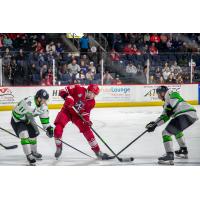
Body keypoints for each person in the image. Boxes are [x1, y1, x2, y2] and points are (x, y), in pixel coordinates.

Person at [54, 84, 110, 160]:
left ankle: (98, 151)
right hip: (66, 111)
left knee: (87, 129)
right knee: (57, 129)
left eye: (94, 94)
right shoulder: (78, 88)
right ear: (88, 90)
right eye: (91, 93)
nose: (92, 95)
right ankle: (59, 147)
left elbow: (85, 113)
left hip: (77, 116)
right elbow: (62, 90)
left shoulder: (92, 102)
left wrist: (87, 121)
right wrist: (67, 97)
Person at [145, 86, 198, 165]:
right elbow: (165, 117)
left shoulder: (170, 93)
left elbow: (175, 99)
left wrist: (170, 108)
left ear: (162, 93)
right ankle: (183, 150)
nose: (158, 96)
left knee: (165, 133)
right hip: (191, 116)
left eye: (158, 94)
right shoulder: (167, 103)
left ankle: (169, 155)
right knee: (176, 131)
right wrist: (154, 124)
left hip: (184, 114)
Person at [11, 89, 54, 165]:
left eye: (46, 100)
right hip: (17, 120)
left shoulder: (43, 106)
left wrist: (48, 128)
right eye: (44, 100)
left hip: (29, 119)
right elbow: (15, 113)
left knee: (33, 135)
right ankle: (29, 155)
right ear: (39, 98)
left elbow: (44, 120)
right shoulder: (28, 103)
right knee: (24, 134)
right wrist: (24, 120)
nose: (45, 102)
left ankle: (34, 152)